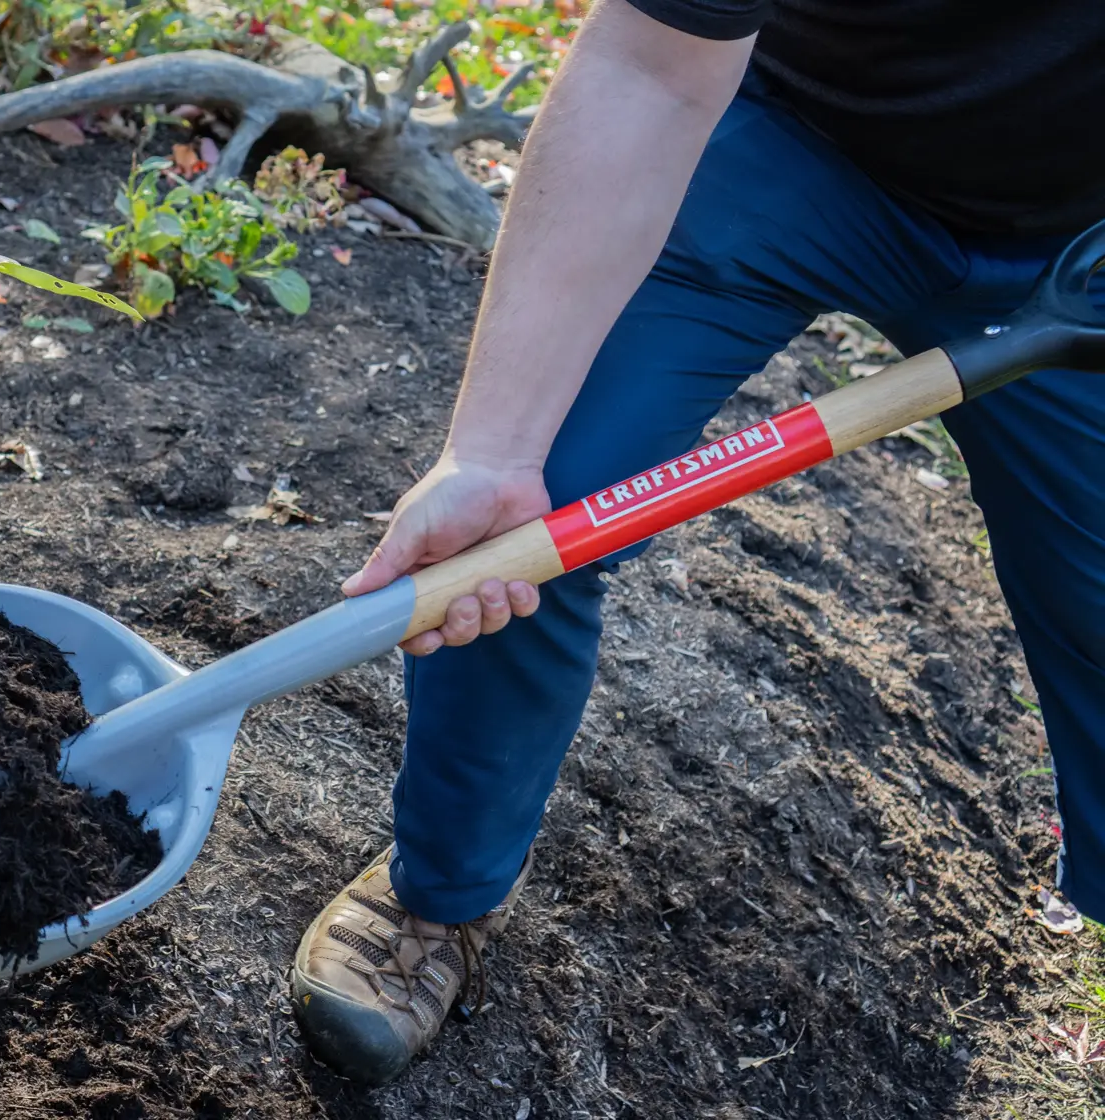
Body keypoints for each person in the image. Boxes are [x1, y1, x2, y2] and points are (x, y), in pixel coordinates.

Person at [287, 0, 1105, 1085]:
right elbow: (649, 68)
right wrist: (491, 448)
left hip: (1083, 245)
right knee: (531, 518)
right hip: (797, 135)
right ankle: (438, 897)